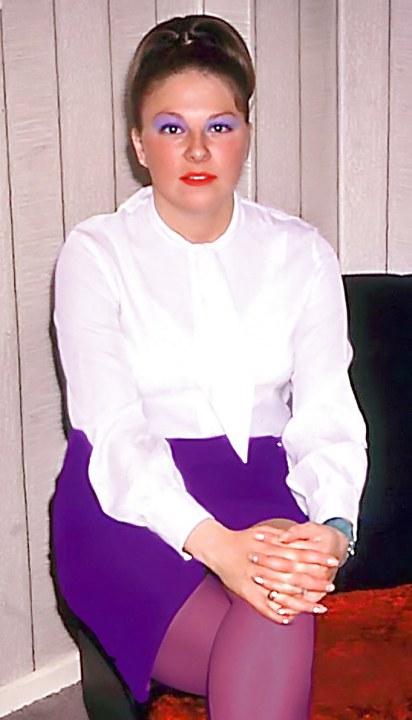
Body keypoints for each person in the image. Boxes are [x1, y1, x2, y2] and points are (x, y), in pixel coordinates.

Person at [51, 13, 367, 720]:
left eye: (219, 126)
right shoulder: (96, 254)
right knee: (276, 627)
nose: (197, 148)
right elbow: (111, 430)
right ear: (139, 142)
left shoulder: (301, 253)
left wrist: (333, 528)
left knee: (277, 604)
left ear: (246, 133)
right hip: (125, 506)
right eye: (171, 127)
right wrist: (217, 547)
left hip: (261, 491)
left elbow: (327, 412)